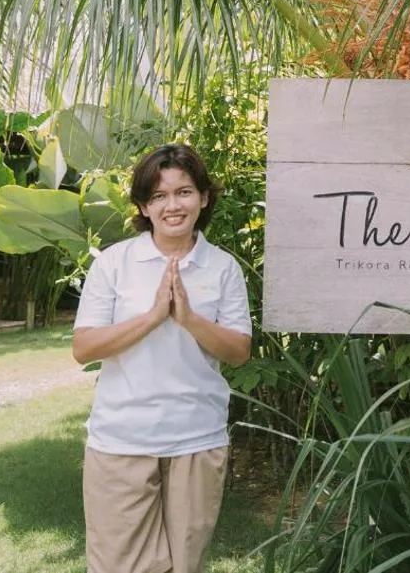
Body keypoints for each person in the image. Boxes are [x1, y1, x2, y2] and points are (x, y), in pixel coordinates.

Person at [72, 143, 253, 573]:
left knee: (185, 565)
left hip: (197, 438)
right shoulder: (115, 264)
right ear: (143, 206)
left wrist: (188, 318)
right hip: (122, 440)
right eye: (159, 196)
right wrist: (154, 317)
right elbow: (84, 348)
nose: (173, 205)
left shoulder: (224, 268)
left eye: (184, 192)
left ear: (204, 198)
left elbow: (239, 351)